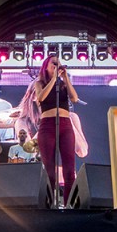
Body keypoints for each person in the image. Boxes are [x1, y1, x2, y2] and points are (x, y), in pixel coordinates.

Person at [35, 55, 81, 206]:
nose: (56, 66)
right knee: (50, 169)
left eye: (58, 64)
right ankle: (49, 205)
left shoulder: (62, 84)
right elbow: (40, 98)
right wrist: (54, 79)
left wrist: (65, 78)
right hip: (47, 125)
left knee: (69, 169)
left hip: (65, 124)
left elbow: (74, 98)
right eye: (53, 63)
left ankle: (68, 204)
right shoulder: (40, 83)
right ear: (46, 66)